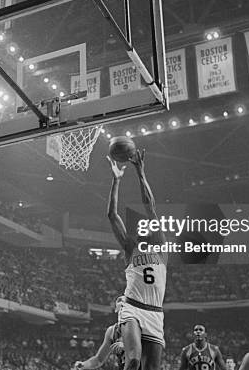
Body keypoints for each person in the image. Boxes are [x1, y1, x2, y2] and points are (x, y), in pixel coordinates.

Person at [107, 149, 167, 370]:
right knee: (132, 360)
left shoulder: (160, 247)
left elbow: (150, 206)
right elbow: (112, 216)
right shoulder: (129, 247)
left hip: (155, 313)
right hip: (132, 307)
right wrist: (116, 181)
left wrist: (141, 172)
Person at [73, 296, 126, 370]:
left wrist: (128, 347)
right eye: (120, 311)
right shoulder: (112, 331)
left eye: (125, 311)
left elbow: (147, 356)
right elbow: (99, 359)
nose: (122, 314)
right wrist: (84, 365)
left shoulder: (142, 329)